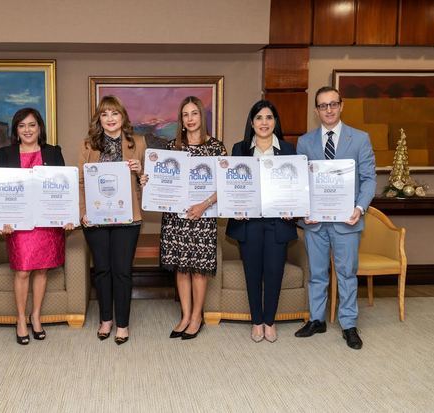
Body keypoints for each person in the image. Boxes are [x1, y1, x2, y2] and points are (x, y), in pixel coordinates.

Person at [294, 86, 376, 350]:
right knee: (317, 274)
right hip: (315, 223)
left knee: (346, 274)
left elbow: (369, 179)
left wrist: (360, 208)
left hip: (347, 221)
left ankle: (349, 324)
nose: (328, 109)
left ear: (341, 106)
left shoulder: (360, 139)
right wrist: (304, 209)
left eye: (332, 104)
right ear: (316, 110)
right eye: (322, 105)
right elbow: (300, 181)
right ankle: (317, 319)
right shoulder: (305, 142)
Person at [0, 107, 73, 345]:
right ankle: (20, 319)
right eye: (22, 126)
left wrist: (67, 215)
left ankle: (35, 316)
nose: (27, 130)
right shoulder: (5, 154)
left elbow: (63, 186)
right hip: (19, 223)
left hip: (47, 223)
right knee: (23, 270)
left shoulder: (53, 152)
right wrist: (1, 220)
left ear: (40, 128)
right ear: (16, 131)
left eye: (32, 125)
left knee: (42, 270)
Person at [226, 100, 298, 343]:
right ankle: (257, 321)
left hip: (278, 222)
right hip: (250, 223)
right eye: (259, 118)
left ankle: (270, 321)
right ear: (252, 122)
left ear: (275, 122)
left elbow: (295, 185)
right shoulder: (240, 149)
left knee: (275, 272)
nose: (264, 122)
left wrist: (293, 208)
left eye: (269, 118)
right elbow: (232, 184)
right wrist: (235, 207)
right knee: (253, 273)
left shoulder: (288, 150)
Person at [78, 95, 146, 345]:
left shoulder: (137, 142)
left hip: (127, 219)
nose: (110, 119)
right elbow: (82, 182)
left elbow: (146, 183)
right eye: (104, 114)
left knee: (122, 272)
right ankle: (106, 319)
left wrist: (141, 173)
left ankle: (123, 324)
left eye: (114, 113)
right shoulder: (88, 144)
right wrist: (83, 212)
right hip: (95, 218)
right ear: (99, 119)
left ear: (123, 117)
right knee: (103, 270)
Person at [159, 96, 227, 340]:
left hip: (203, 216)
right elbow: (164, 181)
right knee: (181, 267)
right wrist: (149, 181)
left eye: (194, 113)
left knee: (198, 269)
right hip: (177, 218)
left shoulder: (217, 148)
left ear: (202, 116)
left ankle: (197, 316)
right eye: (185, 114)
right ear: (181, 119)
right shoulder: (172, 147)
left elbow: (224, 184)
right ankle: (185, 315)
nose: (190, 119)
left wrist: (203, 205)